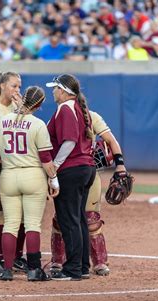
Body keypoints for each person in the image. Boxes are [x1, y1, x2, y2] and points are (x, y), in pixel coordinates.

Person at [50, 110, 128, 276]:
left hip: (87, 172)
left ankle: (99, 261)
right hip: (65, 172)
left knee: (91, 219)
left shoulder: (91, 116)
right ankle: (57, 259)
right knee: (61, 218)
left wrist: (120, 164)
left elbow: (110, 140)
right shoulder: (60, 115)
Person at [0, 86, 59, 281]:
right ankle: (34, 269)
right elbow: (46, 159)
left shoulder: (2, 122)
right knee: (32, 225)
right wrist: (54, 180)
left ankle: (6, 269)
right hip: (32, 175)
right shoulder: (38, 124)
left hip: (8, 175)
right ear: (39, 104)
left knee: (10, 225)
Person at [45, 74, 96, 281]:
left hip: (71, 168)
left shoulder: (65, 108)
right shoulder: (78, 107)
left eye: (55, 88)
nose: (53, 91)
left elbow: (69, 141)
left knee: (69, 219)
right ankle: (82, 266)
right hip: (85, 168)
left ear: (64, 90)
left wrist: (54, 167)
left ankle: (73, 268)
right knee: (79, 219)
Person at [0, 72, 28, 275]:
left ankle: (17, 256)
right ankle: (2, 258)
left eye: (19, 87)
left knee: (19, 214)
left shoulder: (16, 108)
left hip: (16, 165)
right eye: (14, 86)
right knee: (0, 213)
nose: (17, 91)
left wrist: (23, 110)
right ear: (2, 85)